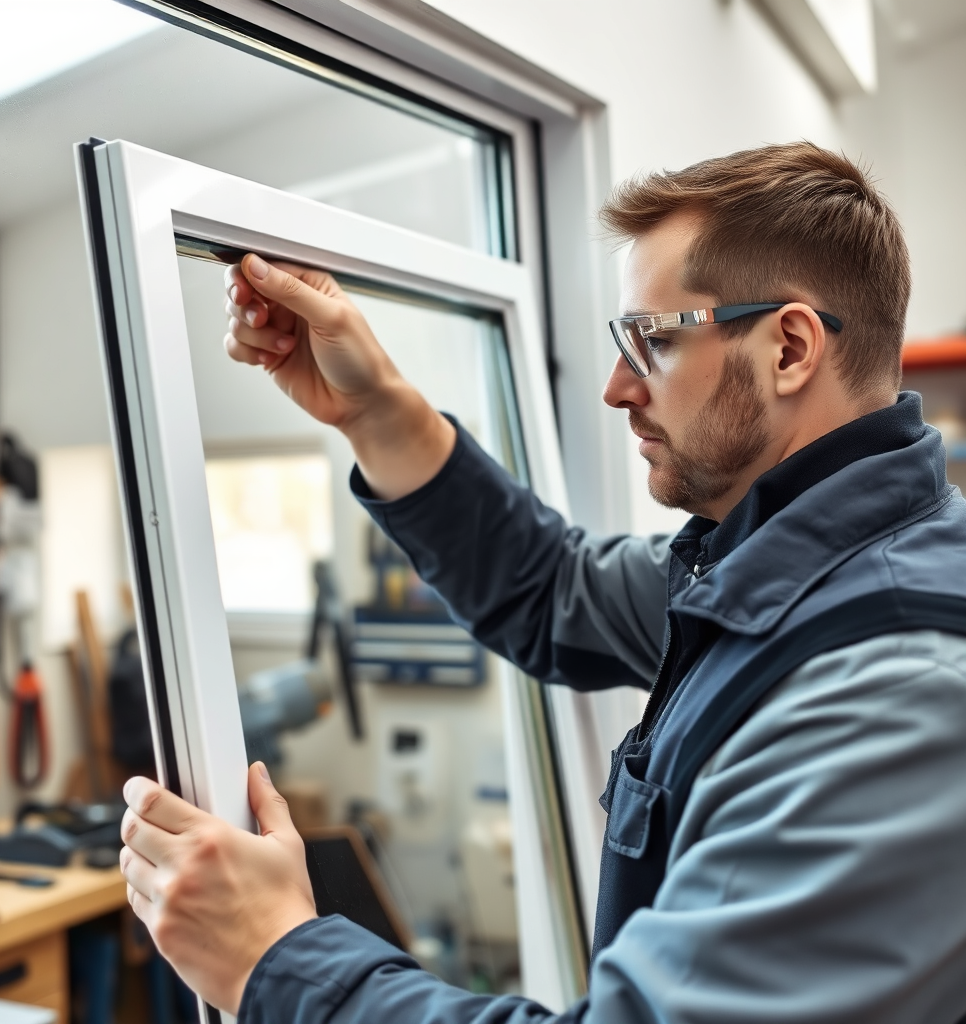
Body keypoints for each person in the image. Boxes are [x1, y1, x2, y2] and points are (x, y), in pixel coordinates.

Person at [118, 142, 966, 1023]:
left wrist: (276, 956)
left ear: (789, 347)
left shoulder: (895, 690)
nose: (616, 387)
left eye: (651, 341)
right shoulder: (778, 572)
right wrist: (373, 409)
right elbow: (550, 587)